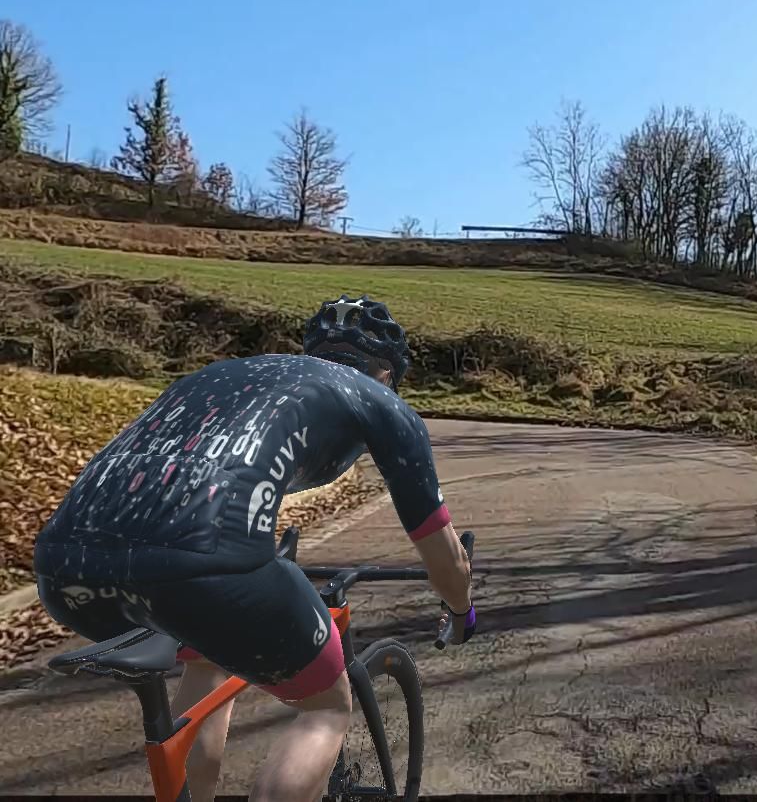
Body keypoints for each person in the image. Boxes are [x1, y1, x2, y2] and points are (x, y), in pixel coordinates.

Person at [33, 294, 477, 802]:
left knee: (209, 657)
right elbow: (444, 558)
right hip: (202, 565)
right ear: (387, 374)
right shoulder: (380, 400)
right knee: (327, 706)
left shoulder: (232, 375)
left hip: (63, 565)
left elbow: (207, 467)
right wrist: (461, 612)